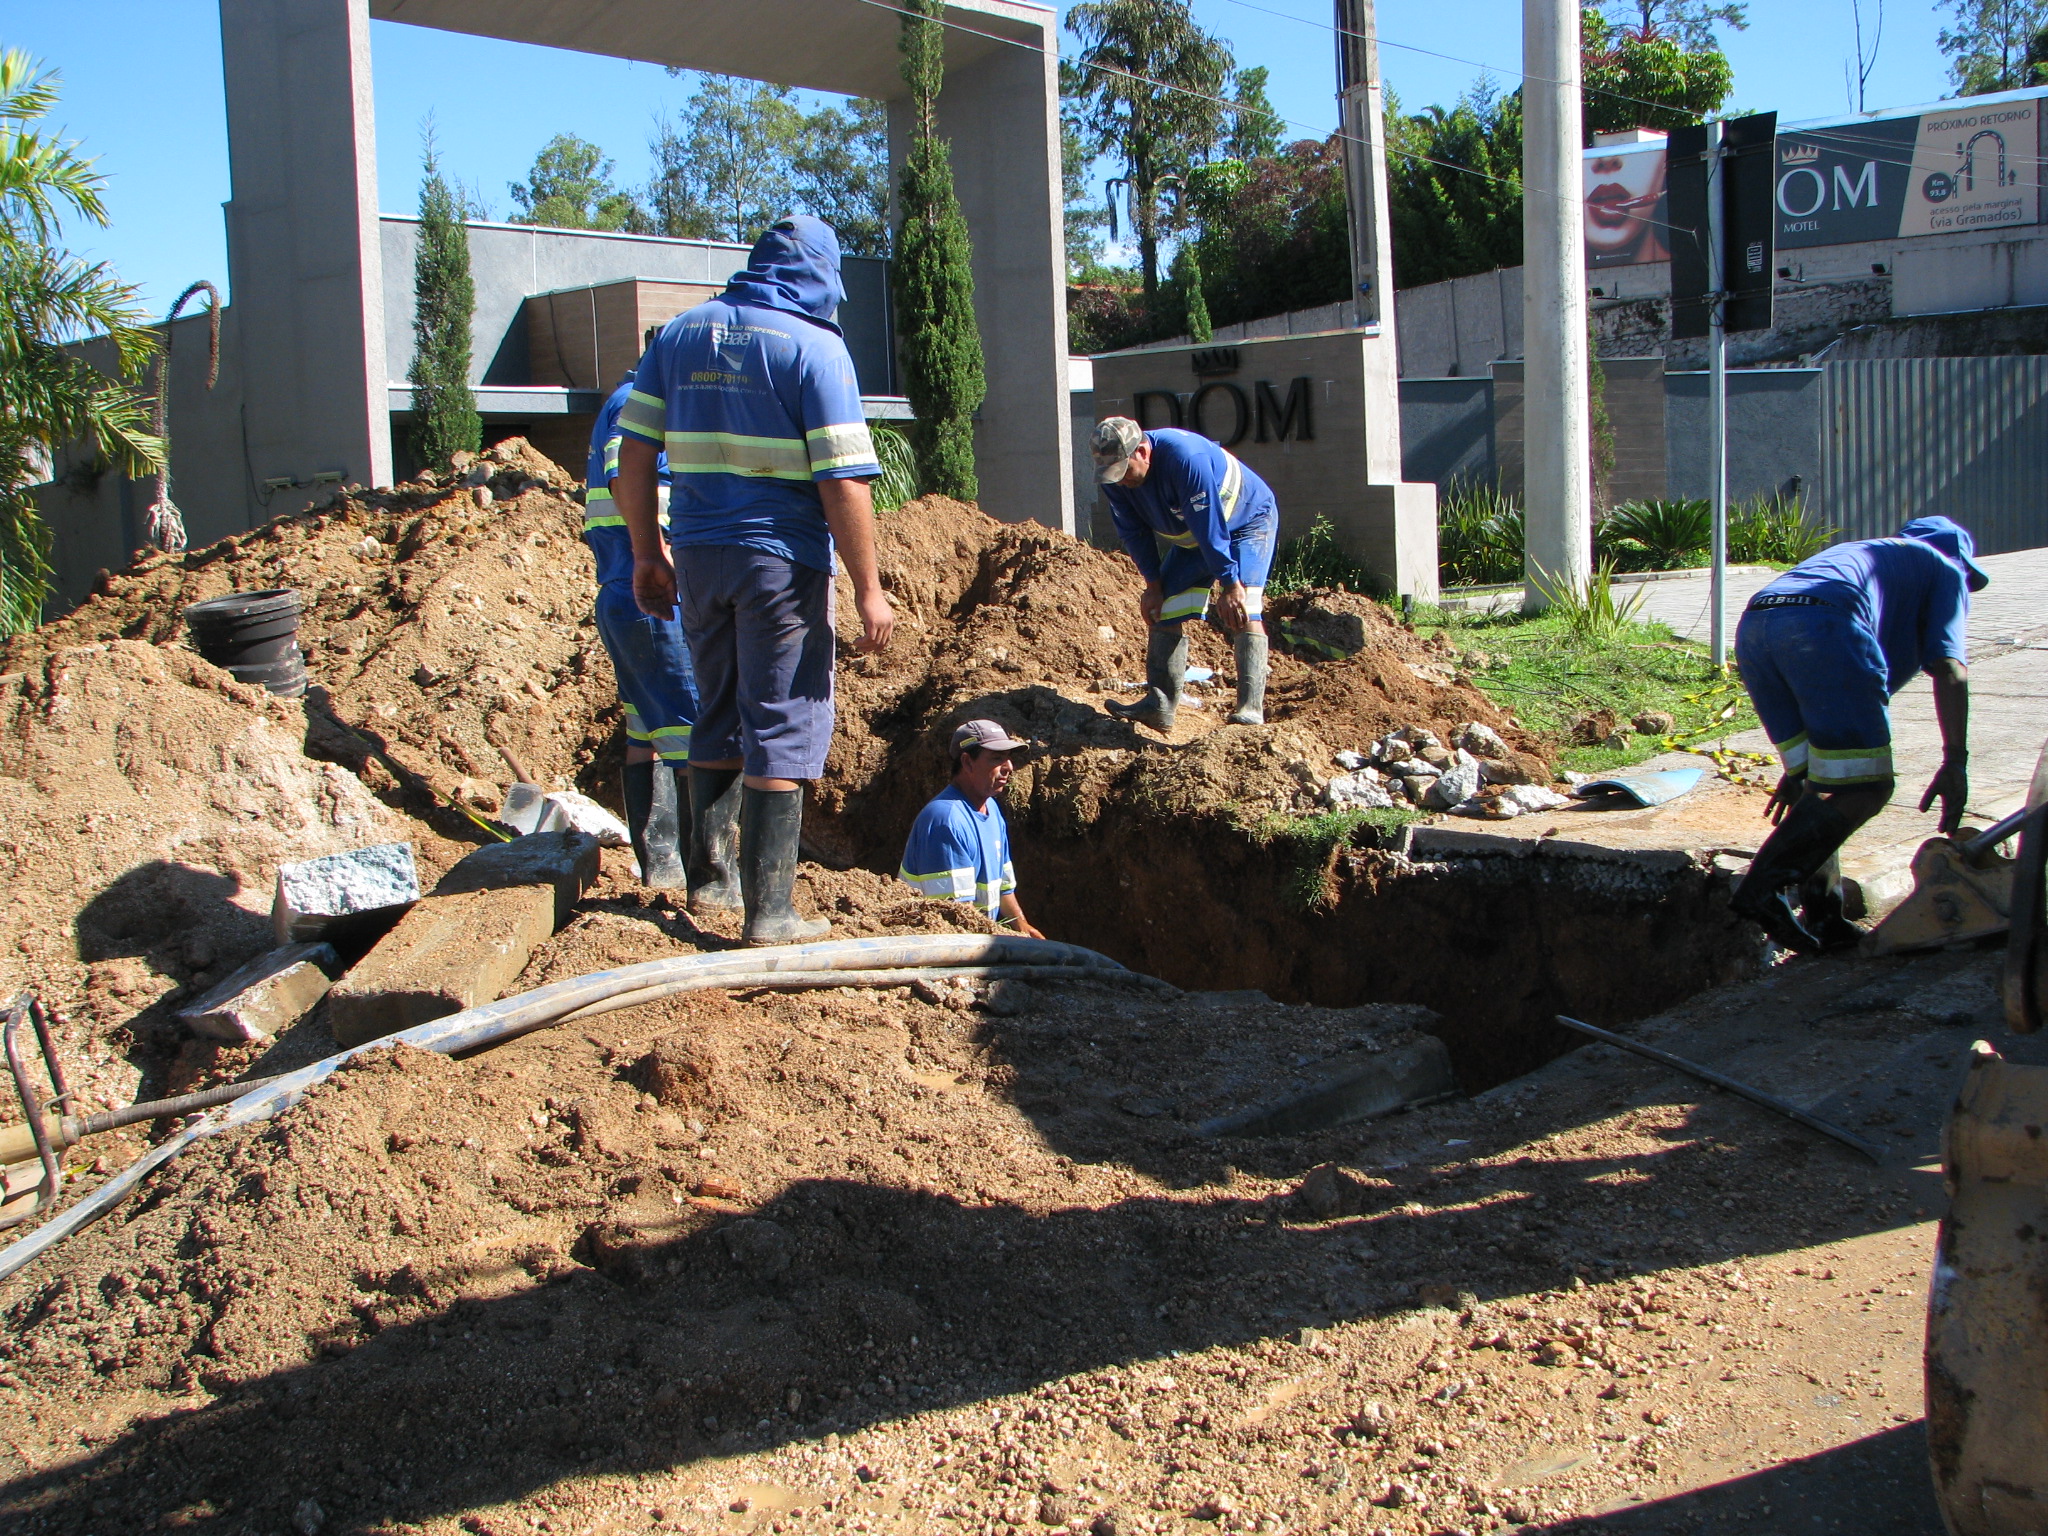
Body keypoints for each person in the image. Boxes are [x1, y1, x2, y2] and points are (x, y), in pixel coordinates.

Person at [614, 214, 894, 945]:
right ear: (820, 274)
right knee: (782, 719)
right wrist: (868, 588)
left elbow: (633, 457)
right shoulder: (815, 347)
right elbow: (844, 481)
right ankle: (771, 913)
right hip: (780, 563)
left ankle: (711, 885)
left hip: (698, 557)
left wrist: (647, 553)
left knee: (716, 711)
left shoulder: (679, 335)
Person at [1731, 515, 1989, 953]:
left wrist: (1801, 769)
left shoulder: (1870, 557)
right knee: (1867, 786)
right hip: (1826, 626)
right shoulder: (1945, 568)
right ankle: (1762, 888)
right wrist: (1954, 761)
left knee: (1822, 785)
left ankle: (1825, 917)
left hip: (1757, 626)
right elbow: (1950, 669)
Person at [584, 356, 698, 889]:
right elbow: (624, 476)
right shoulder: (636, 406)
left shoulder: (624, 402)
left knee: (646, 730)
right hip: (651, 592)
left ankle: (664, 868)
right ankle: (709, 877)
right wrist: (657, 552)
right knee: (693, 734)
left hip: (626, 591)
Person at [1090, 416, 1278, 731]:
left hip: (1246, 522)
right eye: (1113, 475)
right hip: (1195, 535)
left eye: (1124, 472)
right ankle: (1159, 706)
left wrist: (1230, 584)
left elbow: (1210, 527)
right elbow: (1134, 533)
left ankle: (1250, 711)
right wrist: (1153, 586)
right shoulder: (1116, 479)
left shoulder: (1185, 457)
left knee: (1244, 607)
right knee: (1164, 609)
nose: (1121, 481)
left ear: (1142, 452)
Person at [899, 719, 1044, 938]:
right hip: (941, 944)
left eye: (1008, 757)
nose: (1009, 767)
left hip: (975, 938)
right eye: (996, 758)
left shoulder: (991, 808)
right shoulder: (946, 821)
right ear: (967, 762)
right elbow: (955, 918)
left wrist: (1021, 925)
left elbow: (1003, 887)